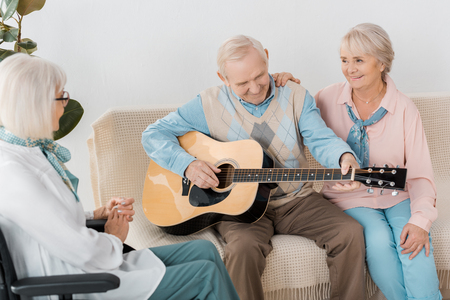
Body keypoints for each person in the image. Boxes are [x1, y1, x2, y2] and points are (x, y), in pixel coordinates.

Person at [142, 35, 366, 300]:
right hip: (240, 209)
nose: (255, 88)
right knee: (243, 249)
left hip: (296, 200)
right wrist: (187, 165)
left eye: (259, 75)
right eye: (242, 83)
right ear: (222, 77)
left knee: (349, 232)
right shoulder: (207, 104)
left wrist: (343, 158)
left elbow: (320, 138)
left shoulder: (295, 95)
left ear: (267, 57)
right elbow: (154, 134)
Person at [0, 53, 239, 300]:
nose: (65, 103)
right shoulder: (13, 173)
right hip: (74, 283)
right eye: (61, 95)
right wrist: (114, 237)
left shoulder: (26, 152)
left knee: (205, 250)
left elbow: (49, 221)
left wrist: (97, 215)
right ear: (35, 105)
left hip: (83, 267)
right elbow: (81, 250)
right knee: (204, 275)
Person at [279, 23, 442, 300]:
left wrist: (421, 220)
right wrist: (283, 85)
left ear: (381, 63)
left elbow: (420, 175)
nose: (349, 68)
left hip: (396, 195)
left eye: (358, 60)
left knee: (414, 242)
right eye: (344, 60)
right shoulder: (326, 98)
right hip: (349, 198)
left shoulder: (404, 109)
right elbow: (292, 116)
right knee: (378, 242)